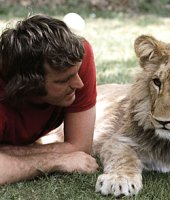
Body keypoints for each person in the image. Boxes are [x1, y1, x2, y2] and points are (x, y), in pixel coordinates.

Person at [0, 14, 99, 185]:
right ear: (29, 85)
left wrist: (9, 153)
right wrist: (55, 161)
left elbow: (80, 147)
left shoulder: (77, 58)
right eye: (63, 80)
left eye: (76, 73)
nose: (79, 84)